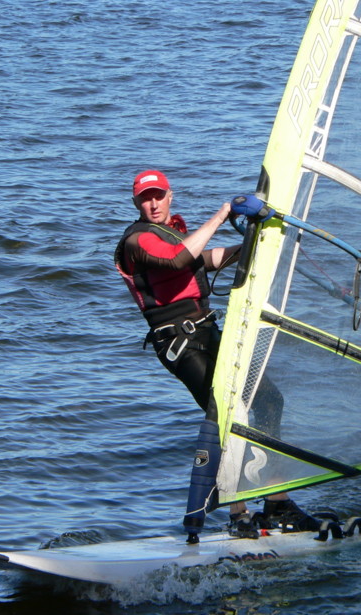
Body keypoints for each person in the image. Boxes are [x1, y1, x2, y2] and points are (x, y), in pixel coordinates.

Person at [115, 169, 320, 538]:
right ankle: (238, 513)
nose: (153, 203)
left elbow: (206, 260)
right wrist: (223, 214)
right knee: (228, 414)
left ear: (170, 196)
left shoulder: (173, 233)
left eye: (159, 195)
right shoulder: (136, 240)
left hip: (208, 332)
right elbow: (178, 260)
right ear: (136, 203)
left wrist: (257, 242)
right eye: (146, 199)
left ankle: (276, 502)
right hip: (179, 344)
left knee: (270, 400)